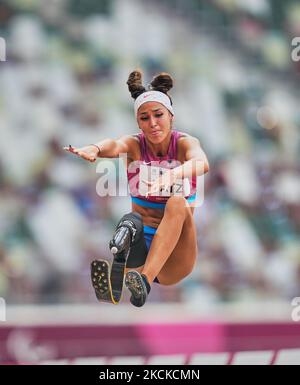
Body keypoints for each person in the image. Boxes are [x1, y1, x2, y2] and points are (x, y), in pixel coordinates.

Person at [64, 69, 209, 307]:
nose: (152, 124)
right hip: (144, 247)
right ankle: (122, 274)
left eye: (158, 115)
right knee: (131, 220)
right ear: (138, 123)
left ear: (171, 116)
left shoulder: (185, 144)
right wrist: (95, 149)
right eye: (144, 118)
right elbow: (114, 144)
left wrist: (171, 175)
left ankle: (144, 281)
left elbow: (201, 163)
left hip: (175, 261)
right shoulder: (135, 145)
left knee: (176, 202)